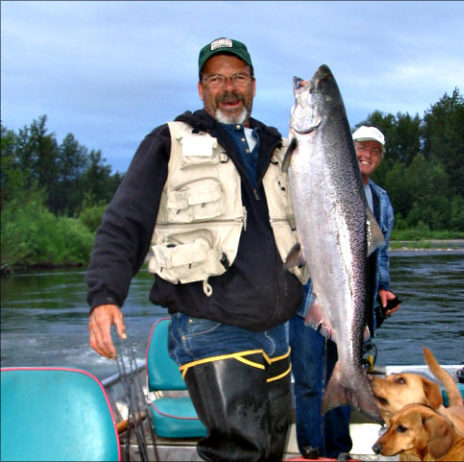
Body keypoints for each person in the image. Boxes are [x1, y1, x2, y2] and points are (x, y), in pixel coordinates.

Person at [86, 37, 308, 462]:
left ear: (254, 85)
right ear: (201, 88)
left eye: (238, 76)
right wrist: (104, 296)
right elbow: (124, 223)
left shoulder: (282, 149)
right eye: (217, 78)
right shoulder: (168, 142)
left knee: (270, 450)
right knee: (240, 452)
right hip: (210, 322)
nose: (229, 86)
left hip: (278, 328)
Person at [289, 125, 401, 459]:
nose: (367, 155)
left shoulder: (381, 200)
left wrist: (383, 288)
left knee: (345, 373)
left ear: (379, 158)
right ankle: (312, 452)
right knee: (309, 382)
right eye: (360, 148)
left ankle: (339, 451)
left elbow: (380, 253)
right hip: (312, 299)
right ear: (345, 152)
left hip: (355, 306)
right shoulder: (323, 187)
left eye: (375, 151)